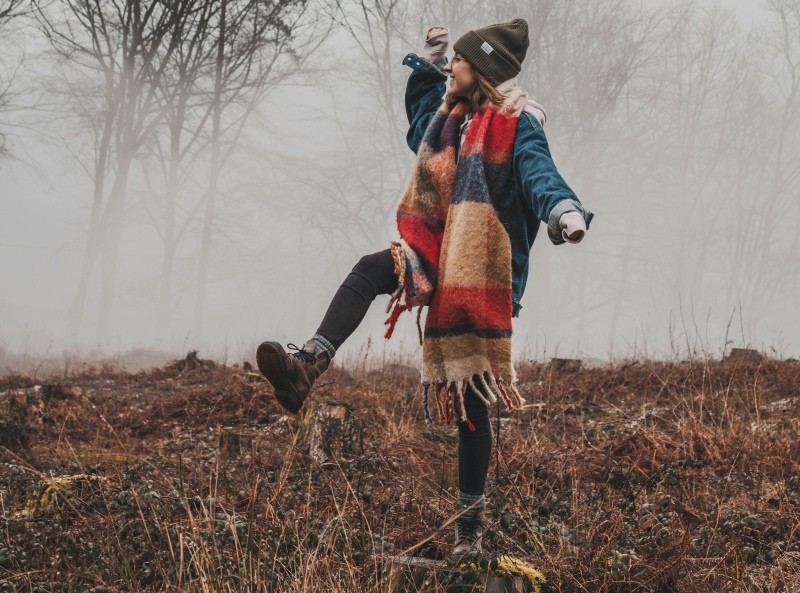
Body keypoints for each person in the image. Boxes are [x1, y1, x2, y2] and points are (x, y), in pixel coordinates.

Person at [256, 19, 594, 558]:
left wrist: (562, 212)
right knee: (372, 267)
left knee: (471, 401)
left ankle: (468, 534)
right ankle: (308, 365)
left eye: (458, 61)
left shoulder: (517, 128)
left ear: (479, 71)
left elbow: (538, 174)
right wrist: (428, 61)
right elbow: (418, 120)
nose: (450, 69)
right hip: (434, 250)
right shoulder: (449, 120)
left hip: (481, 270)